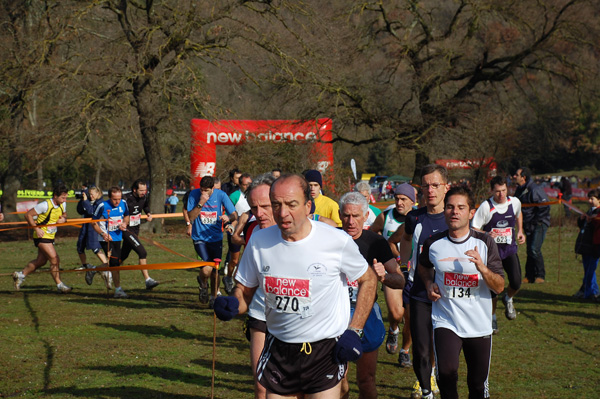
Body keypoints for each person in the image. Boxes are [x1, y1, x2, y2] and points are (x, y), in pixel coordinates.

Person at [214, 174, 377, 398]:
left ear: (308, 206)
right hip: (279, 350)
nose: (282, 213)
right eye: (276, 205)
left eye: (291, 205)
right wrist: (233, 303)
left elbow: (368, 279)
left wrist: (355, 330)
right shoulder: (259, 241)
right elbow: (245, 291)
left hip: (324, 350)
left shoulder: (335, 241)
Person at [419, 186, 504, 399]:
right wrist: (429, 284)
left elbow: (500, 286)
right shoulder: (433, 243)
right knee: (446, 374)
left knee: (477, 385)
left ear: (471, 212)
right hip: (446, 320)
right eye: (449, 207)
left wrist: (482, 268)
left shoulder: (485, 242)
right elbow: (423, 266)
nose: (454, 212)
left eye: (460, 207)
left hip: (479, 324)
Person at [338, 191, 405, 399]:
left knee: (366, 380)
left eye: (356, 216)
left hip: (366, 313)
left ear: (366, 216)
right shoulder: (331, 239)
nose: (350, 221)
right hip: (336, 313)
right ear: (340, 215)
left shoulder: (376, 242)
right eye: (346, 216)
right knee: (338, 381)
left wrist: (384, 278)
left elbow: (400, 280)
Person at [399, 165, 449, 399]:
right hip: (419, 292)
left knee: (445, 351)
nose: (430, 190)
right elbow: (406, 238)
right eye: (426, 185)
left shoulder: (455, 216)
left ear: (446, 187)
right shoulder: (414, 217)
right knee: (421, 348)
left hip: (450, 295)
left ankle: (440, 380)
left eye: (435, 185)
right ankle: (427, 391)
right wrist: (405, 264)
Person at [472, 176, 525, 332]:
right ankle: (492, 318)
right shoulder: (486, 207)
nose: (501, 194)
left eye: (503, 190)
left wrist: (520, 230)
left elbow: (518, 213)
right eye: (497, 191)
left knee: (516, 282)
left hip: (509, 250)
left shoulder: (514, 202)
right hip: (492, 254)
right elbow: (474, 228)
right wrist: (487, 234)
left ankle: (508, 299)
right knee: (493, 289)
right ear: (491, 191)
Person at [373, 183, 416, 367]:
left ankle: (405, 350)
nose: (399, 202)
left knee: (411, 318)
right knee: (396, 312)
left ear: (412, 202)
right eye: (397, 198)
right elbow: (373, 233)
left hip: (414, 273)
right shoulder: (385, 216)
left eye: (403, 199)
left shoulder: (418, 219)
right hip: (392, 270)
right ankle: (393, 328)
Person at [187, 176, 237, 307]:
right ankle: (203, 284)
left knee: (215, 271)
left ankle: (214, 297)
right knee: (206, 269)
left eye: (206, 190)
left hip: (215, 238)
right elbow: (191, 217)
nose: (203, 192)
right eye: (202, 190)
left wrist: (228, 218)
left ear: (212, 188)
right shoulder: (194, 194)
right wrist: (201, 202)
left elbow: (234, 214)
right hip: (199, 238)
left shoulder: (221, 195)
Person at [12, 184, 72, 293]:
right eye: (63, 197)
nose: (65, 200)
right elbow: (28, 215)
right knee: (55, 259)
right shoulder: (45, 205)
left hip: (51, 236)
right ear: (55, 196)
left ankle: (20, 275)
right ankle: (60, 285)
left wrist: (64, 219)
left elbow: (64, 214)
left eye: (66, 197)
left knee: (41, 261)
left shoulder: (63, 204)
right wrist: (36, 229)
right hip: (41, 236)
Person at [119, 179, 159, 289]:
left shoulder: (144, 197)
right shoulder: (125, 199)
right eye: (141, 190)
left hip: (135, 230)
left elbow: (145, 206)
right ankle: (148, 280)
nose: (143, 192)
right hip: (126, 230)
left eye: (145, 190)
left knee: (122, 256)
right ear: (134, 190)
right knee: (142, 252)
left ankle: (100, 270)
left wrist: (148, 213)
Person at [513, 167, 550, 283]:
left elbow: (545, 206)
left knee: (534, 249)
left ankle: (540, 276)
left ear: (523, 177)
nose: (514, 176)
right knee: (530, 250)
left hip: (539, 223)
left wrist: (535, 221)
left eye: (516, 175)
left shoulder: (534, 189)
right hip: (528, 224)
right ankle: (529, 276)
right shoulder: (519, 190)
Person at [92, 186, 130, 298]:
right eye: (114, 199)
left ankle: (94, 270)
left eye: (119, 198)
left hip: (118, 238)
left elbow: (127, 216)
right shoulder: (102, 206)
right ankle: (118, 289)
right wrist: (103, 234)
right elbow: (93, 222)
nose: (117, 201)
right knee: (114, 264)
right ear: (109, 197)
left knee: (116, 263)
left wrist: (124, 223)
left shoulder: (123, 203)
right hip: (105, 239)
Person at [224, 173, 253, 294]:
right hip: (236, 229)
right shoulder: (235, 195)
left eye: (249, 184)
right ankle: (228, 277)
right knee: (234, 260)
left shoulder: (254, 194)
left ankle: (244, 286)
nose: (247, 187)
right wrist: (230, 224)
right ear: (239, 185)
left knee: (248, 260)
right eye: (245, 185)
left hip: (250, 230)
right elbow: (229, 211)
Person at [573, 189, 600, 300]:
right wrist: (581, 220)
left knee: (590, 270)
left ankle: (591, 292)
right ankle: (589, 290)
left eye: (592, 199)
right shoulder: (590, 211)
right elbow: (583, 227)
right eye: (588, 198)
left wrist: (592, 221)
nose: (589, 201)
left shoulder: (598, 213)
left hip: (594, 245)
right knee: (587, 269)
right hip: (585, 245)